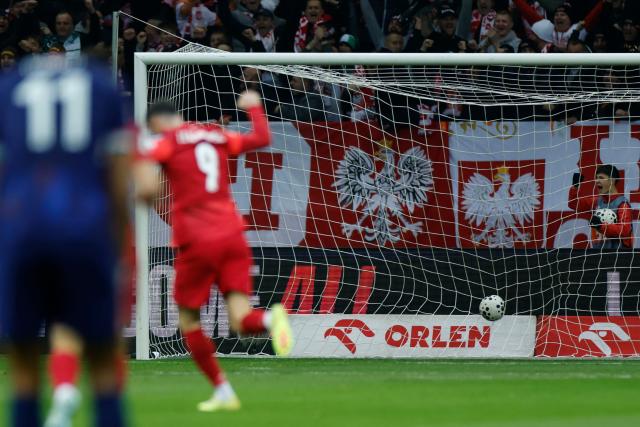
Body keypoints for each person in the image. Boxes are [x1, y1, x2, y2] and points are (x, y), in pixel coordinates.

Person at [134, 91, 293, 412]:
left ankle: (222, 389)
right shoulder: (218, 136)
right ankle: (269, 318)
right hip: (233, 235)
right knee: (240, 319)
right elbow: (263, 137)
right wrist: (254, 107)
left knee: (189, 319)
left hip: (198, 239)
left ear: (157, 123)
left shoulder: (166, 143)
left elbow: (148, 188)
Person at [0, 55, 129, 427]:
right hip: (85, 231)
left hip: (22, 232)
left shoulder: (9, 86)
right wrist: (116, 249)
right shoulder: (102, 85)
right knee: (104, 360)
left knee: (23, 364)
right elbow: (119, 182)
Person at [569, 165, 633, 249]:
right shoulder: (597, 201)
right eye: (596, 178)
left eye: (601, 178)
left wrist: (600, 226)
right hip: (597, 254)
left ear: (612, 180)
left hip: (618, 256)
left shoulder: (622, 204)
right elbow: (573, 204)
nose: (597, 181)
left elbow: (624, 230)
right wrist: (575, 187)